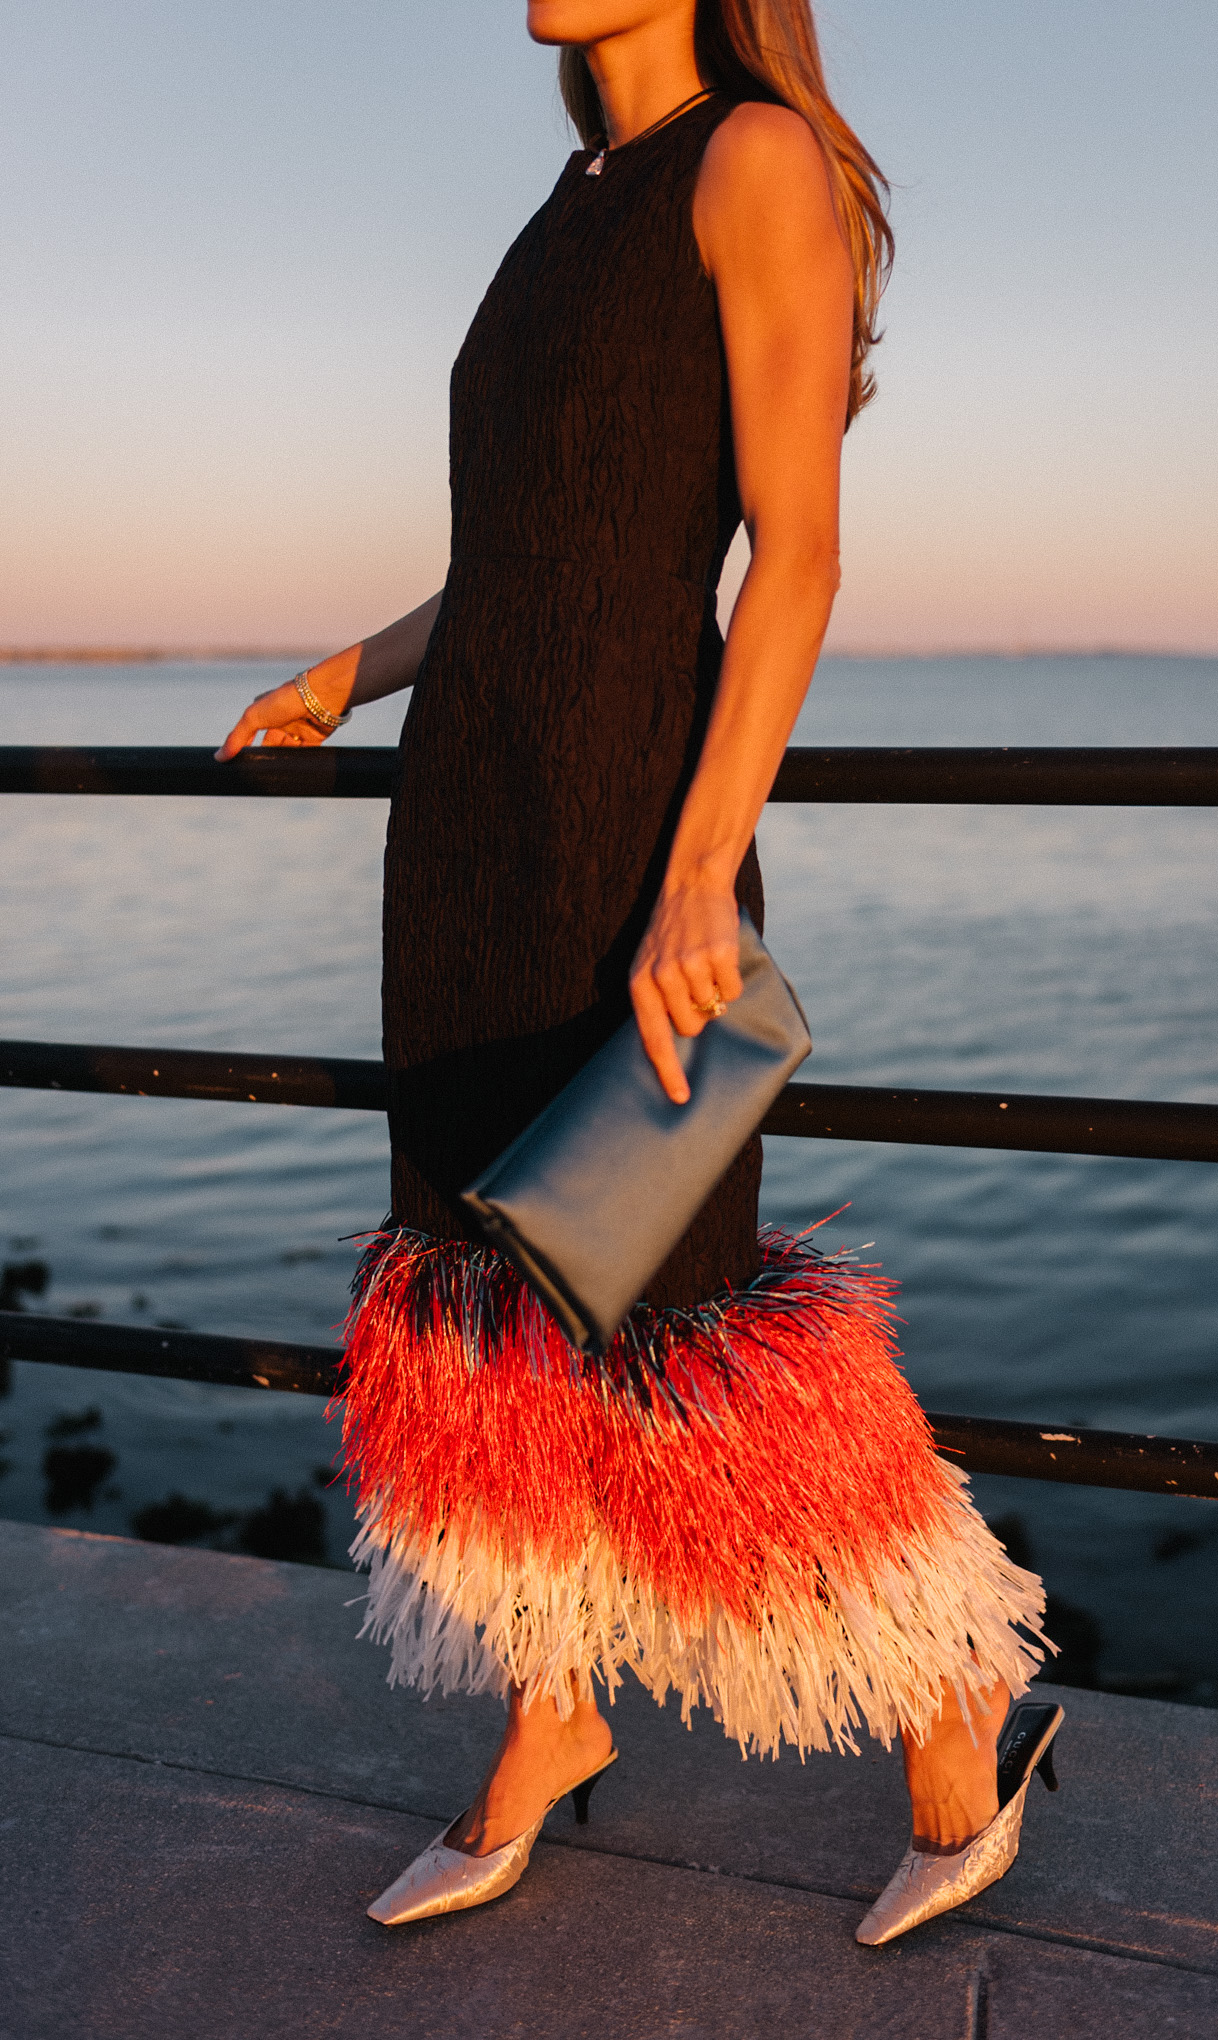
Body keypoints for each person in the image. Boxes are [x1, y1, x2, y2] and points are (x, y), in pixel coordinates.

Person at [218, 0, 1057, 1947]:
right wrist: (352, 672)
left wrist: (696, 881)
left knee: (678, 1316)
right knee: (473, 1303)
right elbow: (532, 545)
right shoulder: (561, 201)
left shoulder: (750, 163)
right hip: (467, 827)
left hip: (625, 833)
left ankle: (951, 1699)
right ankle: (548, 1714)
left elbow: (794, 554)